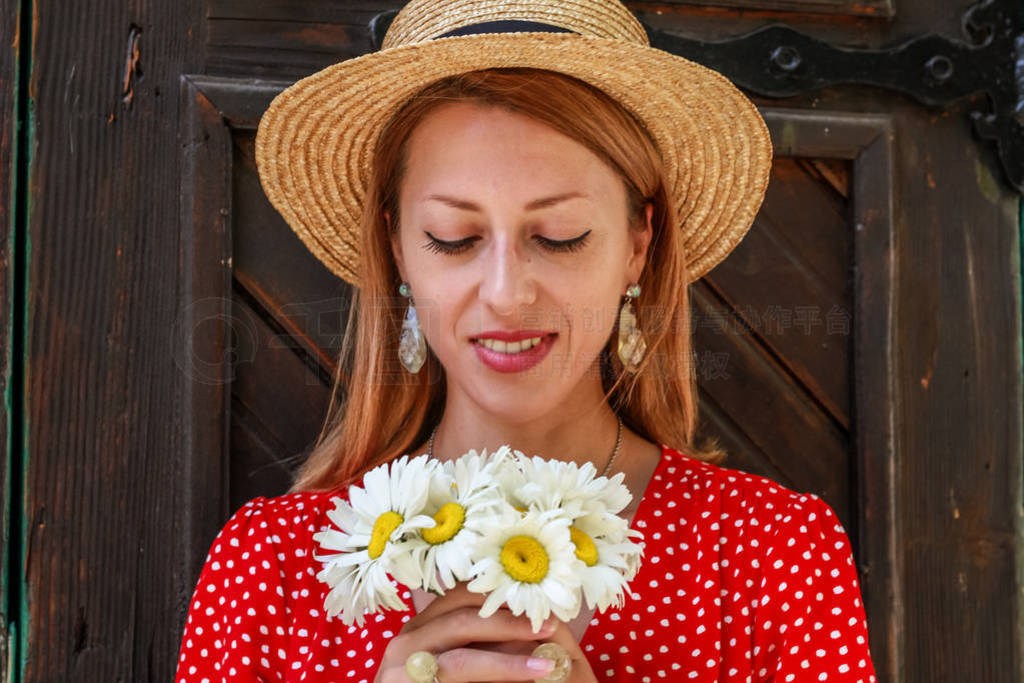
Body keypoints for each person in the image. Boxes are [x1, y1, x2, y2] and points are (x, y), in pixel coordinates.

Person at [175, 0, 879, 681]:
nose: (508, 292)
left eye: (559, 236)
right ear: (396, 251)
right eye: (455, 239)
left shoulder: (770, 555)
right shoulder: (271, 569)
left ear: (640, 242)